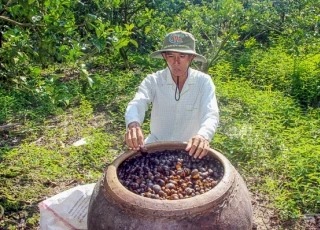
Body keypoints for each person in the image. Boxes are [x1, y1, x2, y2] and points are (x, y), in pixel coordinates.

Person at [125, 30, 219, 159]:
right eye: (171, 56)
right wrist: (133, 124)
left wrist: (203, 136)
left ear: (191, 57)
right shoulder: (153, 80)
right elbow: (137, 103)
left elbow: (211, 113)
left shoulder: (203, 82)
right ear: (164, 56)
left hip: (189, 148)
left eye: (182, 56)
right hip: (156, 143)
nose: (176, 62)